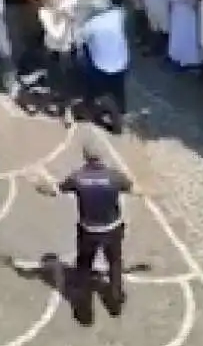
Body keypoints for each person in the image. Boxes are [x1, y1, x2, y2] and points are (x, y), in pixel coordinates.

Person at [32, 138, 145, 324]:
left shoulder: (78, 178)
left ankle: (84, 311)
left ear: (85, 156)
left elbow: (53, 191)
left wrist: (38, 182)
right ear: (103, 156)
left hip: (88, 231)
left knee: (84, 268)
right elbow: (138, 191)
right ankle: (115, 302)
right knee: (115, 264)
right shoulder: (115, 176)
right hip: (112, 229)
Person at [78, 0, 129, 134]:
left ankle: (90, 104)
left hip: (101, 66)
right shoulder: (118, 15)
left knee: (86, 65)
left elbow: (80, 40)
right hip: (122, 62)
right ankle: (122, 110)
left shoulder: (90, 25)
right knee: (119, 88)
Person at [38, 0, 77, 127]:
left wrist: (70, 16)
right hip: (53, 48)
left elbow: (75, 6)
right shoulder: (44, 13)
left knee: (67, 78)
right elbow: (56, 34)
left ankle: (68, 110)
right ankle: (55, 96)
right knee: (55, 76)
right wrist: (64, 17)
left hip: (66, 48)